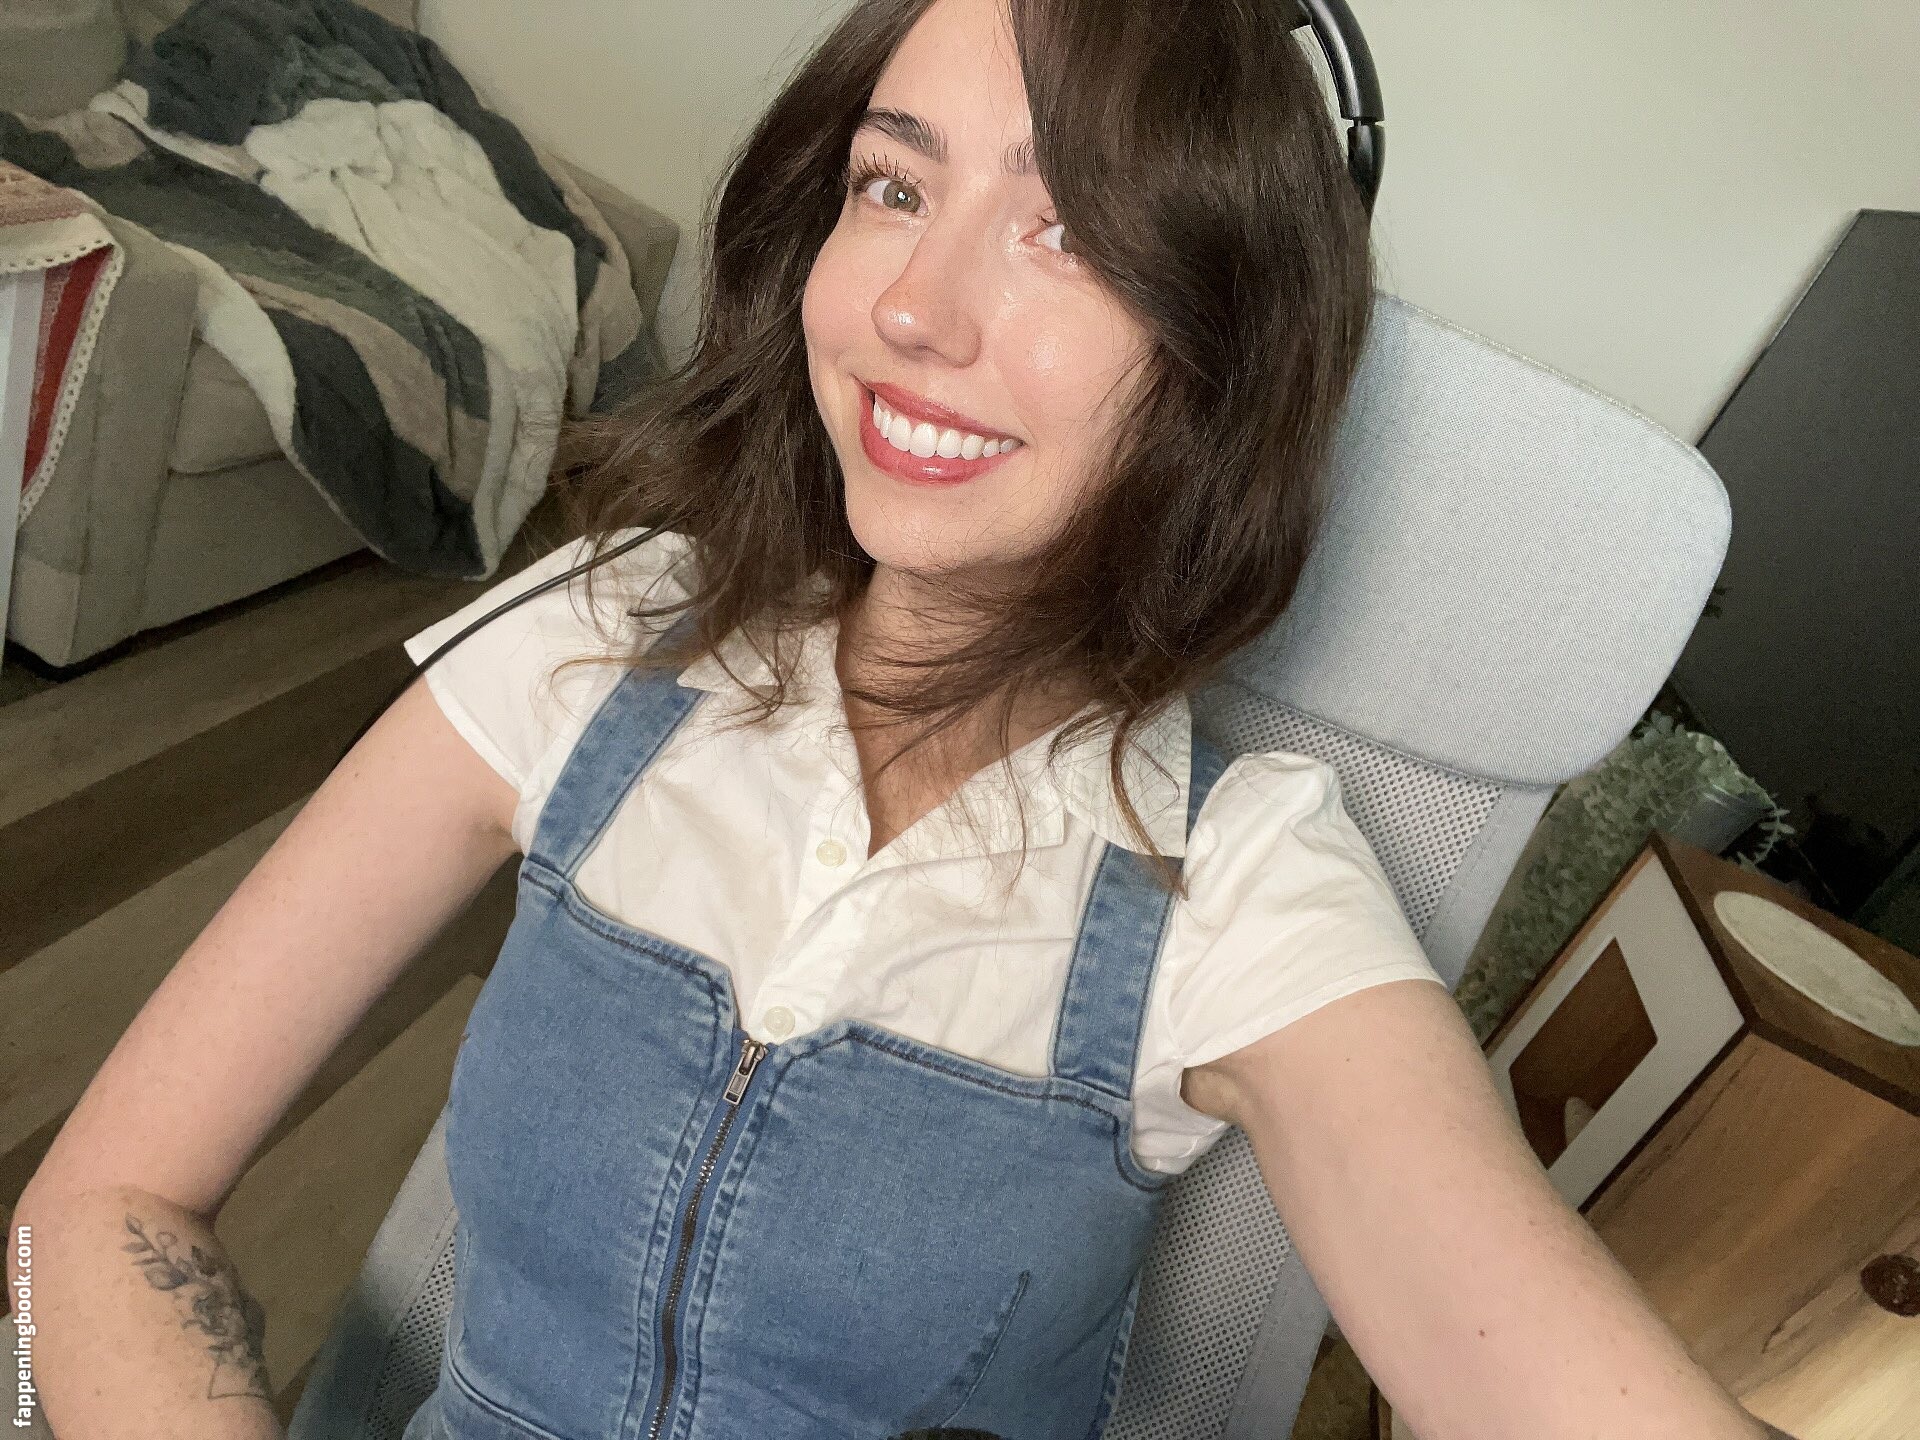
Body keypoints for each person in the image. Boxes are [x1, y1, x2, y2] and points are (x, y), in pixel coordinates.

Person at [10, 0, 1782, 1437]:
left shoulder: (1241, 891)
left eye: (1069, 232)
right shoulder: (605, 635)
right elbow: (100, 1202)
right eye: (892, 185)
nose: (915, 312)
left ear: (1220, 357)